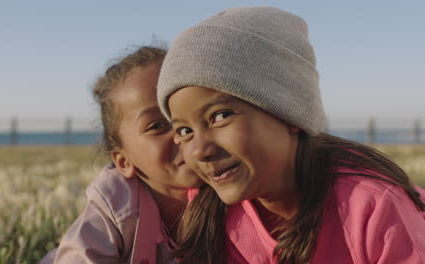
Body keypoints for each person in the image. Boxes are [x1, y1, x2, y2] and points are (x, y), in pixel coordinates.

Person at [156, 7, 425, 264]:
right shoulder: (209, 208)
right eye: (185, 131)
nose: (200, 150)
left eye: (221, 115)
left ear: (290, 114)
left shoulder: (373, 206)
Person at [39, 46, 201, 264]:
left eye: (188, 114)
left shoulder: (224, 188)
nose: (181, 132)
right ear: (124, 162)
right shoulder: (117, 202)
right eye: (158, 125)